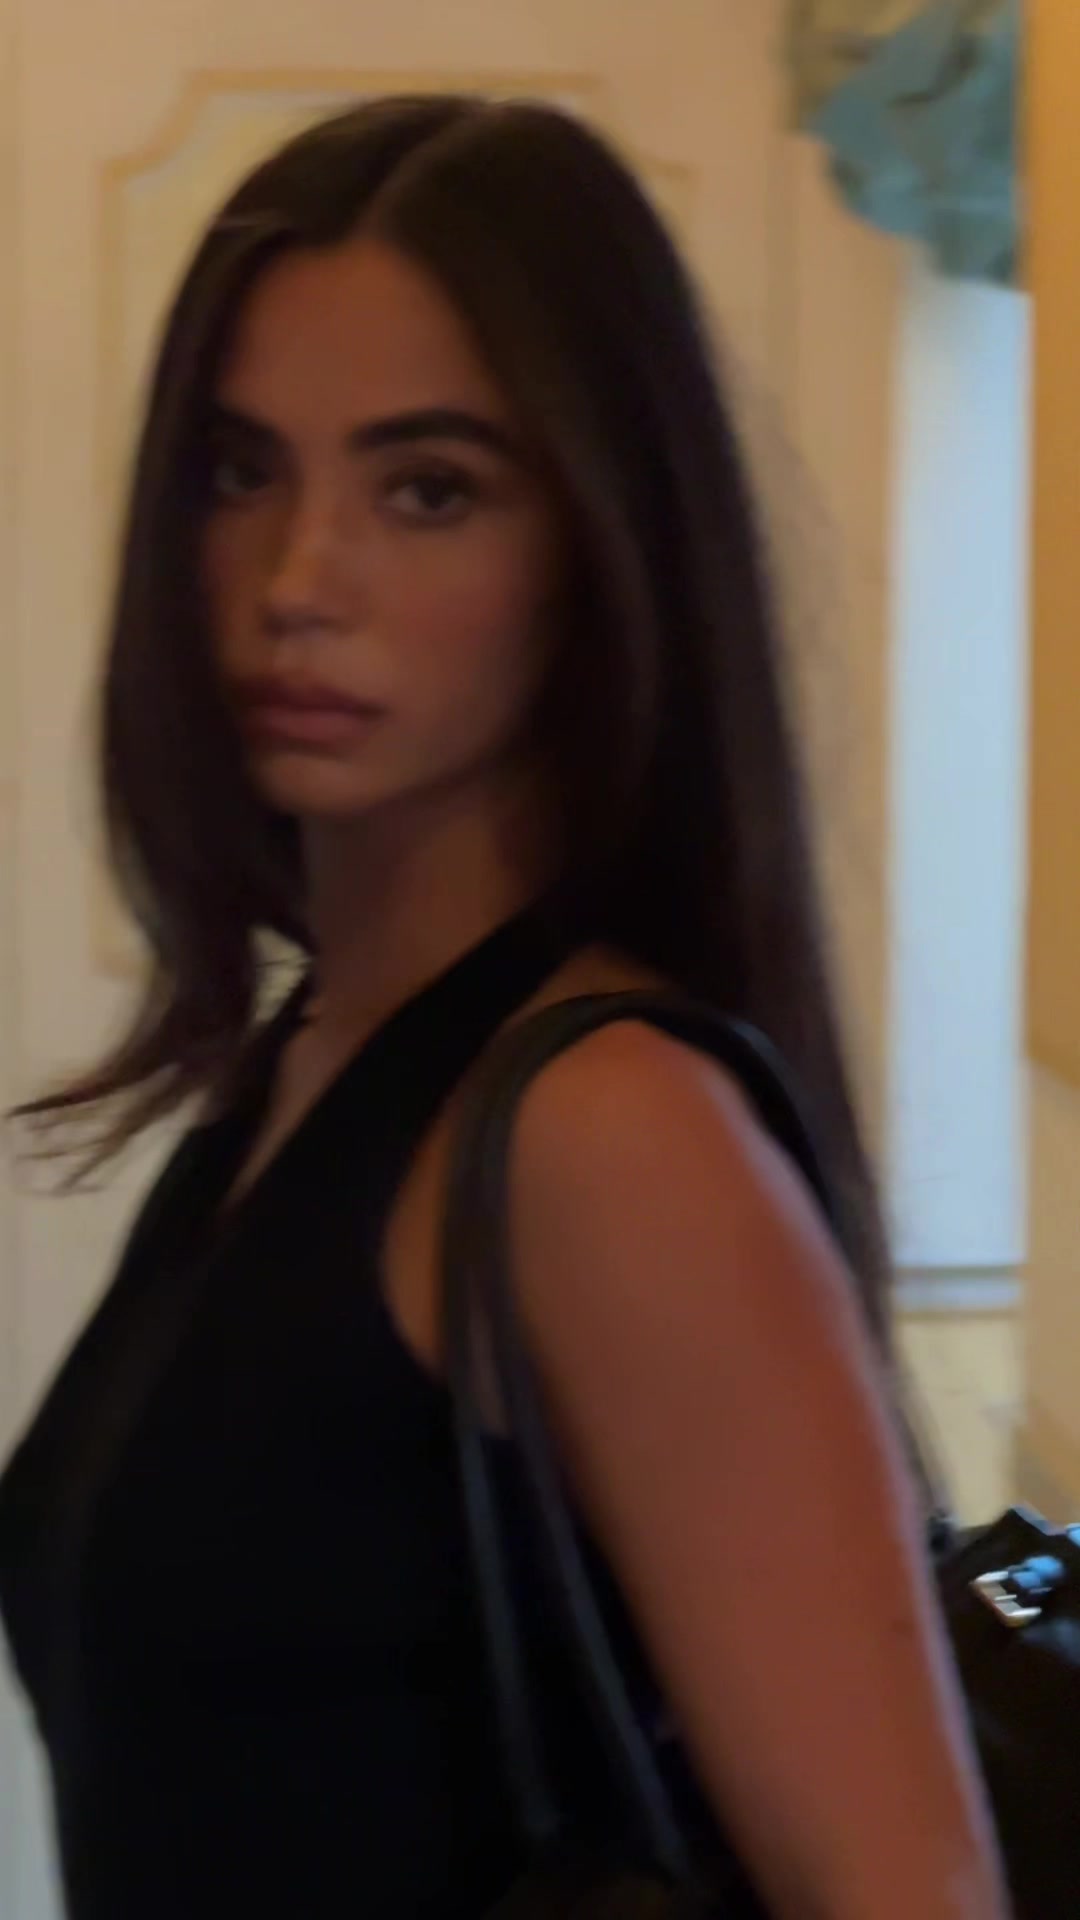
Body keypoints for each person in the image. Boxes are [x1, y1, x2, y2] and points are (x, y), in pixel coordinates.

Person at [0, 96, 1007, 1919]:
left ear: (601, 543)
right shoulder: (312, 1074)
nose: (298, 583)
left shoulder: (606, 1130)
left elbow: (910, 1897)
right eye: (239, 472)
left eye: (429, 490)